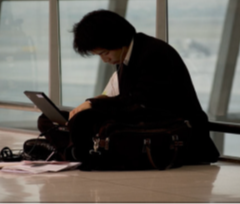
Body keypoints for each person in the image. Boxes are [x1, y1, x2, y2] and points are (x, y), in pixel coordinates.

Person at [65, 10, 220, 165]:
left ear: (117, 39)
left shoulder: (155, 54)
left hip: (178, 135)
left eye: (104, 53)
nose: (105, 60)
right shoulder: (128, 55)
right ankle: (72, 151)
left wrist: (94, 104)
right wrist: (97, 102)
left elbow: (140, 104)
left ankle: (76, 153)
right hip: (149, 122)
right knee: (61, 117)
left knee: (83, 118)